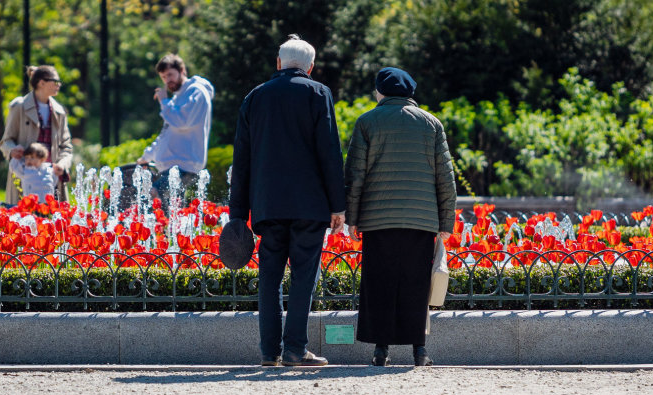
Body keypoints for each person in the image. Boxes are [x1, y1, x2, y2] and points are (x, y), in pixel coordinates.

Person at [229, 34, 346, 367]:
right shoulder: (317, 93)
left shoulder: (255, 97)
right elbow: (329, 152)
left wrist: (238, 214)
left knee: (269, 277)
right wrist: (337, 205)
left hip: (267, 205)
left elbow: (243, 160)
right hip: (309, 205)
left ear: (278, 63)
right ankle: (295, 348)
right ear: (310, 66)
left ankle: (269, 351)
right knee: (303, 275)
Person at [344, 67, 456, 367]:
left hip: (378, 220)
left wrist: (351, 219)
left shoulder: (367, 122)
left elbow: (355, 175)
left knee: (379, 283)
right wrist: (446, 223)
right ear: (410, 93)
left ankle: (381, 350)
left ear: (380, 92)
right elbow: (446, 178)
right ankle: (420, 351)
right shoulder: (432, 124)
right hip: (421, 221)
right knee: (415, 285)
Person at [137, 54, 214, 200]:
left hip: (184, 167)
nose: (167, 80)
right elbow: (166, 134)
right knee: (169, 213)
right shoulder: (177, 99)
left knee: (152, 196)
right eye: (164, 77)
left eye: (170, 75)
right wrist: (146, 157)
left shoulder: (197, 92)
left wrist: (164, 101)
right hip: (171, 168)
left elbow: (182, 122)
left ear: (182, 71)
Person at [0, 65, 73, 206]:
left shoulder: (59, 112)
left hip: (51, 179)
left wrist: (62, 165)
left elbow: (66, 146)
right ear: (41, 83)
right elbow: (6, 141)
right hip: (25, 175)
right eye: (55, 81)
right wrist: (12, 150)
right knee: (23, 222)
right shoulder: (19, 107)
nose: (59, 85)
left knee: (52, 223)